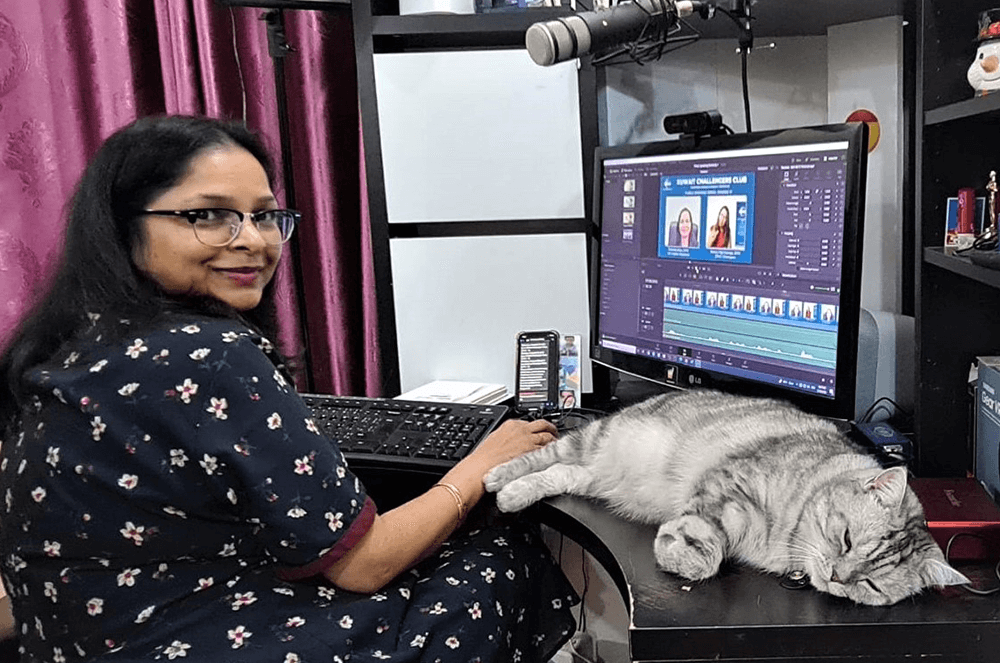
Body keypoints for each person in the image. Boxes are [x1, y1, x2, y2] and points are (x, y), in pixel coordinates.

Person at [0, 115, 578, 662]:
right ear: (126, 227)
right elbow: (364, 566)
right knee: (500, 552)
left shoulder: (66, 342)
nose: (253, 240)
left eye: (264, 216)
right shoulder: (207, 353)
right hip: (195, 636)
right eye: (209, 216)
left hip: (83, 641)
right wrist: (479, 464)